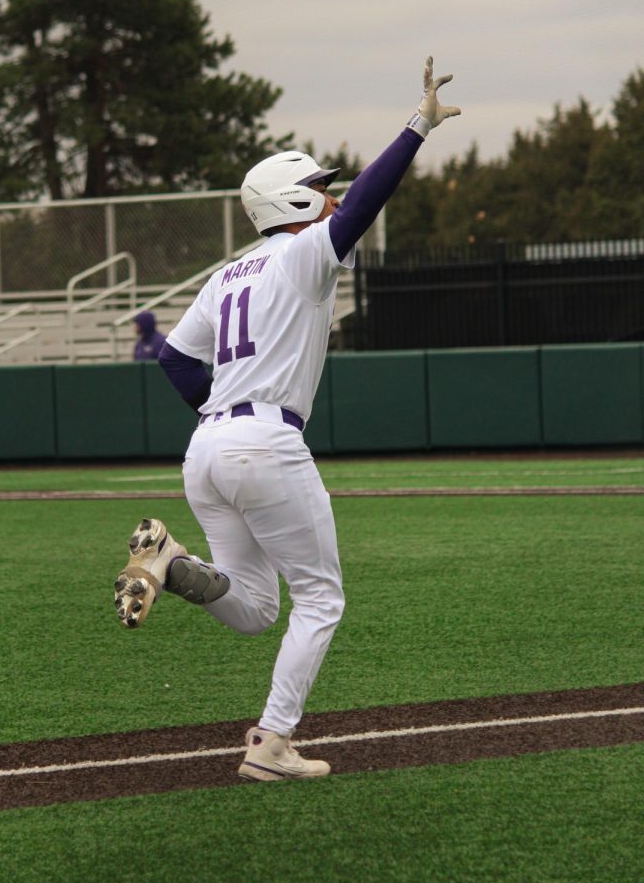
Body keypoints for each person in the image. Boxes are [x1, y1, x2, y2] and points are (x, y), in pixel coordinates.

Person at [113, 56, 461, 782]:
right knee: (322, 597)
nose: (331, 199)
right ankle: (273, 744)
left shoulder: (226, 274)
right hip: (264, 443)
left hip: (206, 447)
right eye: (318, 190)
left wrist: (219, 417)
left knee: (254, 609)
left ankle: (170, 562)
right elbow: (367, 204)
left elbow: (175, 363)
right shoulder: (303, 256)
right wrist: (416, 127)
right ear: (288, 204)